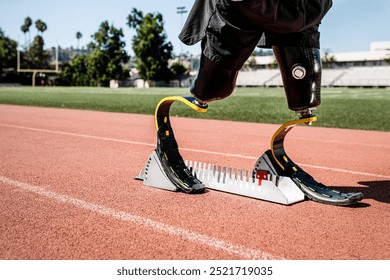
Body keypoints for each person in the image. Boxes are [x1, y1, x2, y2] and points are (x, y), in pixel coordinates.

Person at [156, 0, 363, 205]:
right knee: (213, 90)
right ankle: (196, 101)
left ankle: (275, 162)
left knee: (306, 100)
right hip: (246, 5)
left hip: (302, 9)